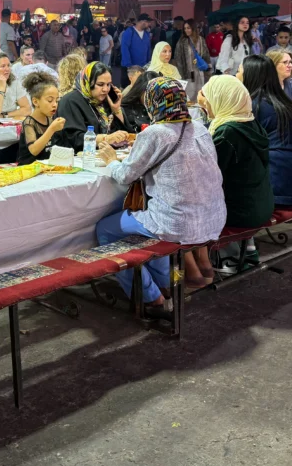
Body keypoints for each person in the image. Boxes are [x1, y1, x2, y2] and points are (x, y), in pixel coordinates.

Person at [96, 77, 226, 303]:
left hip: (177, 223)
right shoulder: (199, 129)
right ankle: (165, 285)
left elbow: (126, 175)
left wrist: (111, 160)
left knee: (106, 229)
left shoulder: (156, 133)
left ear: (153, 102)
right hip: (213, 218)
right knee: (150, 228)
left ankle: (150, 297)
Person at [198, 75, 273, 230]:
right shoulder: (251, 121)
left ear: (221, 100)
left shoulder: (228, 132)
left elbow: (210, 176)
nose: (206, 104)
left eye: (209, 99)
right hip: (261, 206)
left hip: (241, 213)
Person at [240, 55, 292, 207]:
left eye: (239, 72)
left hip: (279, 190)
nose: (236, 76)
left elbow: (239, 146)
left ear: (249, 76)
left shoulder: (255, 105)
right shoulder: (286, 102)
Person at [54, 62, 128, 151]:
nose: (105, 89)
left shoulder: (105, 101)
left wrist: (116, 110)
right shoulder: (70, 101)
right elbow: (74, 139)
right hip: (75, 156)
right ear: (87, 82)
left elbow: (123, 135)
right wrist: (106, 139)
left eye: (108, 84)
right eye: (100, 84)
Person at [18, 72, 65, 165]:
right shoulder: (29, 122)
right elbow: (34, 150)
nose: (55, 104)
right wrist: (52, 129)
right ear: (35, 102)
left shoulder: (50, 120)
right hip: (28, 168)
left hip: (46, 167)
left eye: (57, 100)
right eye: (50, 100)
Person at [171, 19, 210, 101]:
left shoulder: (201, 40)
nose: (186, 30)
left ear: (193, 28)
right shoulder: (182, 42)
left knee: (200, 94)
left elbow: (206, 56)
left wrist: (208, 70)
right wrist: (181, 74)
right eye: (185, 28)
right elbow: (178, 59)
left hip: (200, 72)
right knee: (189, 95)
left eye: (188, 28)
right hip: (188, 73)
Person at [119, 13, 151, 81]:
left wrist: (149, 63)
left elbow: (148, 49)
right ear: (143, 22)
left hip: (143, 67)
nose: (149, 24)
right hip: (130, 68)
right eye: (148, 22)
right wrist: (129, 66)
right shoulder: (129, 32)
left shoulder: (146, 34)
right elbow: (125, 49)